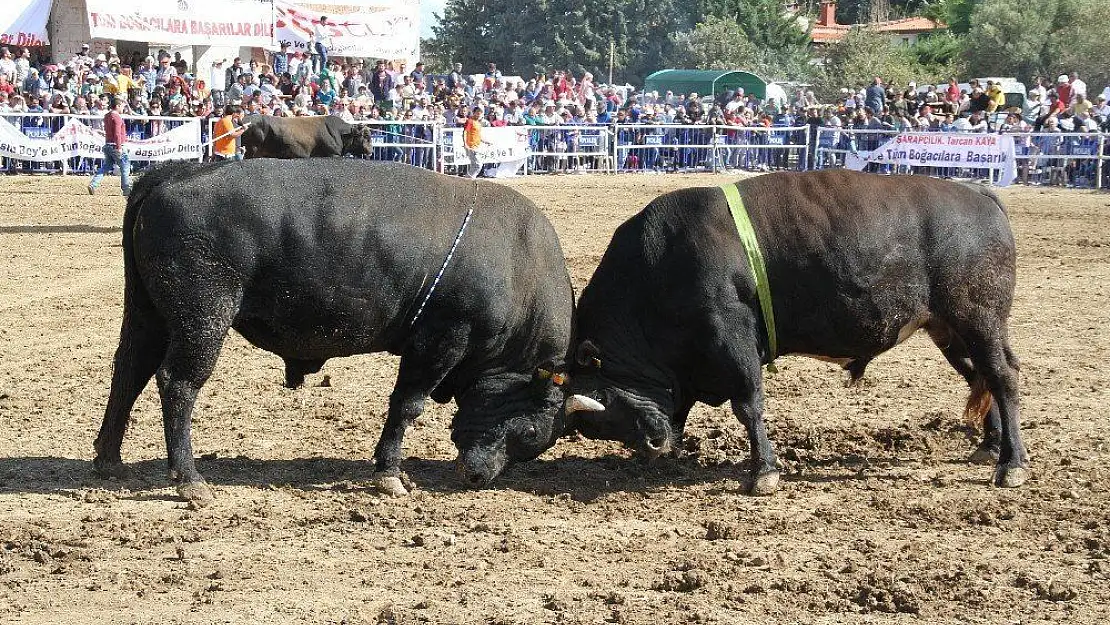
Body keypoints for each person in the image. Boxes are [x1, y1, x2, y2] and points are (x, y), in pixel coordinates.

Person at [88, 97, 131, 196]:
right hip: (116, 146)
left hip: (108, 144)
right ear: (118, 106)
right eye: (122, 106)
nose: (123, 108)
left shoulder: (107, 115)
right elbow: (117, 133)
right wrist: (119, 147)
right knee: (125, 166)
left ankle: (93, 184)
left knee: (106, 166)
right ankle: (126, 189)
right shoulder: (117, 117)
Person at [462, 106, 486, 178]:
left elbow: (477, 135)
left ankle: (467, 179)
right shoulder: (470, 121)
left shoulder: (478, 123)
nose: (478, 115)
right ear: (474, 113)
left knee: (474, 165)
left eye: (480, 113)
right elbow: (465, 132)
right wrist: (465, 144)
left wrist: (485, 141)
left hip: (476, 146)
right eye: (477, 113)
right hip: (471, 146)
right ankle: (470, 179)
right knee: (478, 165)